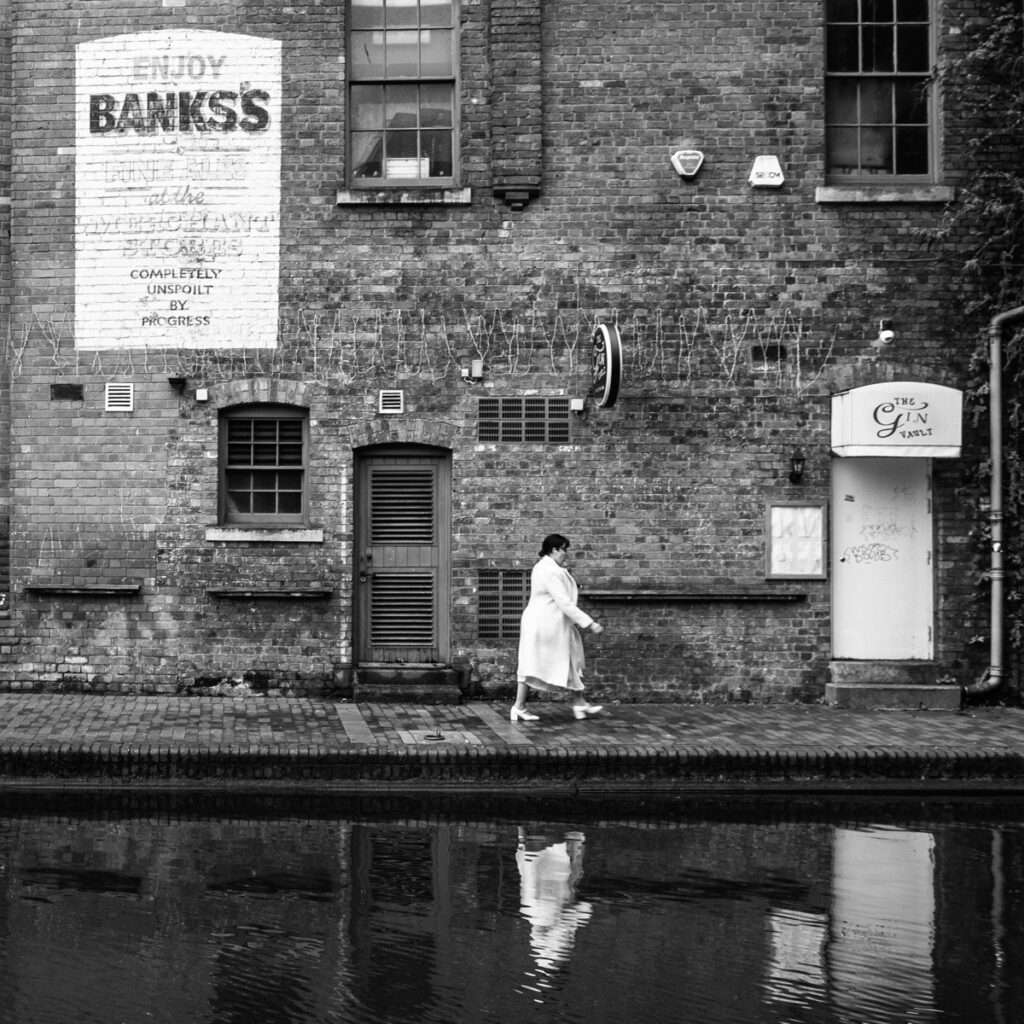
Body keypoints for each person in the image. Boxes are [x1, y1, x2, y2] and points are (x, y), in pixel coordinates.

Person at [511, 533, 605, 722]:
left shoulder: (549, 567)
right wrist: (590, 623)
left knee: (571, 659)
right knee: (531, 665)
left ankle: (579, 703)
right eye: (564, 549)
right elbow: (564, 602)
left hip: (553, 623)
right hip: (543, 625)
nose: (566, 553)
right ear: (554, 550)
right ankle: (518, 707)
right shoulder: (548, 570)